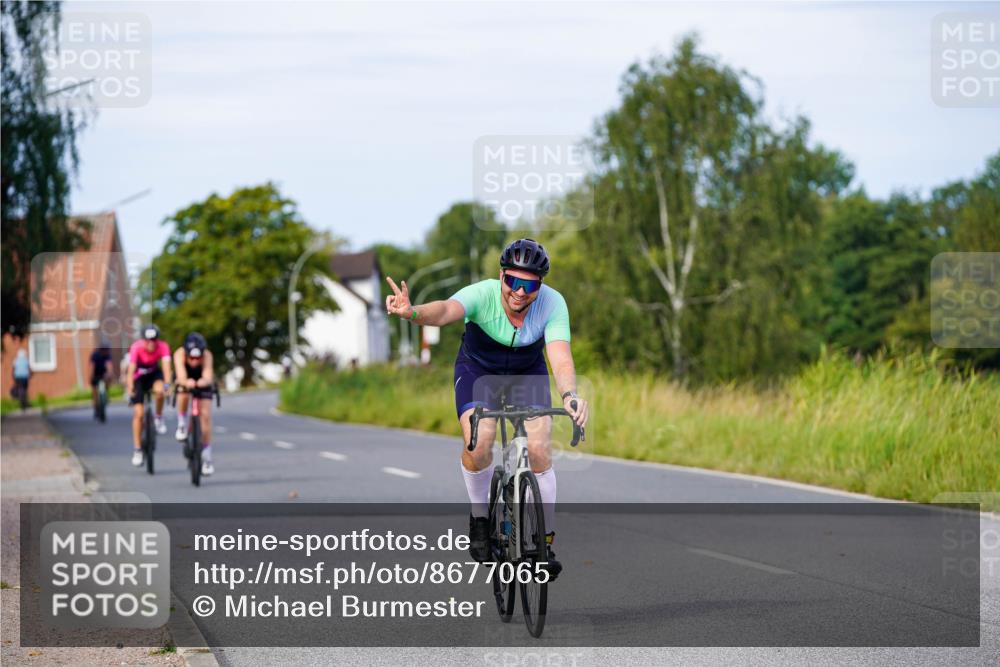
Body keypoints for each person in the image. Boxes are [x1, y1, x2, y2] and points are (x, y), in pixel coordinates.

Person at [384, 238, 589, 579]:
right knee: (480, 442)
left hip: (526, 372)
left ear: (541, 284)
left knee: (539, 448)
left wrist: (569, 395)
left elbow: (560, 354)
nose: (520, 292)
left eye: (530, 284)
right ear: (501, 277)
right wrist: (413, 312)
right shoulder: (482, 294)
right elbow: (447, 311)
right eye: (512, 281)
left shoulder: (553, 304)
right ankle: (481, 520)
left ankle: (544, 542)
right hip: (478, 370)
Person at [125, 325, 172, 467]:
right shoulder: (136, 347)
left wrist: (167, 386)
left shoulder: (163, 346)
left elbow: (166, 368)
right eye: (148, 340)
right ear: (143, 340)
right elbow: (131, 370)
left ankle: (158, 417)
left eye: (154, 340)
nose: (151, 343)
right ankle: (137, 450)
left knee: (159, 391)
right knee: (138, 414)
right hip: (138, 377)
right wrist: (130, 387)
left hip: (153, 374)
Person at [173, 332, 216, 476]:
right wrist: (186, 382)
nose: (195, 361)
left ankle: (207, 455)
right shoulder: (179, 354)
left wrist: (204, 381)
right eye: (191, 357)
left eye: (198, 358)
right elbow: (181, 375)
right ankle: (182, 423)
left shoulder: (208, 355)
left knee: (205, 416)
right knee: (183, 392)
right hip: (186, 378)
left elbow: (208, 375)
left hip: (201, 380)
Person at [88, 340, 114, 419]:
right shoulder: (95, 355)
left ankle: (106, 393)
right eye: (105, 349)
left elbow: (109, 366)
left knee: (107, 380)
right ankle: (96, 408)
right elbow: (92, 367)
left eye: (107, 349)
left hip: (103, 374)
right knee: (95, 392)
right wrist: (91, 377)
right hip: (95, 374)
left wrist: (110, 374)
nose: (106, 351)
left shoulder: (108, 356)